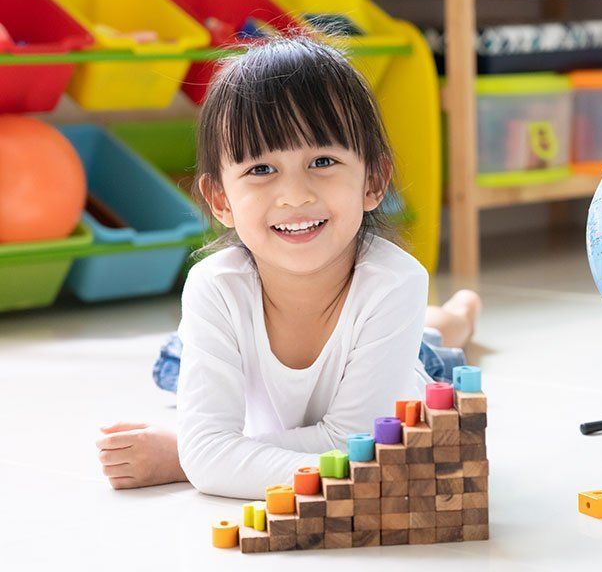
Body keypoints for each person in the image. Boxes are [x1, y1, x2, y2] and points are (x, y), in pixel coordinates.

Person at [94, 34, 481, 499]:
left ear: (373, 181)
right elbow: (222, 451)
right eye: (261, 169)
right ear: (221, 200)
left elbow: (359, 450)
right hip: (273, 390)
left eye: (322, 160)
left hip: (396, 376)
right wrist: (209, 454)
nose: (295, 195)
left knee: (432, 347)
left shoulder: (395, 283)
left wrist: (194, 456)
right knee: (175, 362)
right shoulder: (214, 288)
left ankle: (459, 314)